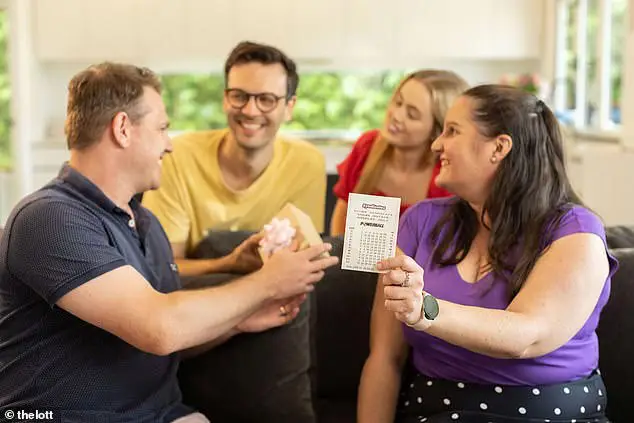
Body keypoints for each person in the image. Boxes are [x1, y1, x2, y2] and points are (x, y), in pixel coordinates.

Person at [0, 62, 338, 423]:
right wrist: (269, 282)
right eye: (162, 128)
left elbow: (168, 339)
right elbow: (159, 327)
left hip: (162, 415)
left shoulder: (146, 224)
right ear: (123, 129)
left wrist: (238, 321)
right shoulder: (49, 218)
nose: (169, 145)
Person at [357, 85, 617, 423]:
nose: (437, 144)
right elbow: (384, 358)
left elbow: (526, 335)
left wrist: (424, 310)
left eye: (452, 131)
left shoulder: (576, 231)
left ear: (499, 147)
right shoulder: (420, 221)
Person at [142, 41, 327, 278]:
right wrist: (230, 263)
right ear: (225, 99)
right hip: (195, 297)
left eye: (267, 99)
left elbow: (303, 262)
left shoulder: (307, 162)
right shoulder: (178, 156)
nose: (250, 111)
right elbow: (164, 270)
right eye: (239, 96)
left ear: (289, 107)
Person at [329, 70, 468, 236]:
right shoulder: (367, 147)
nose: (396, 115)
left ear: (437, 131)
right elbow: (343, 212)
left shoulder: (447, 177)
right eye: (398, 102)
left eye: (412, 115)